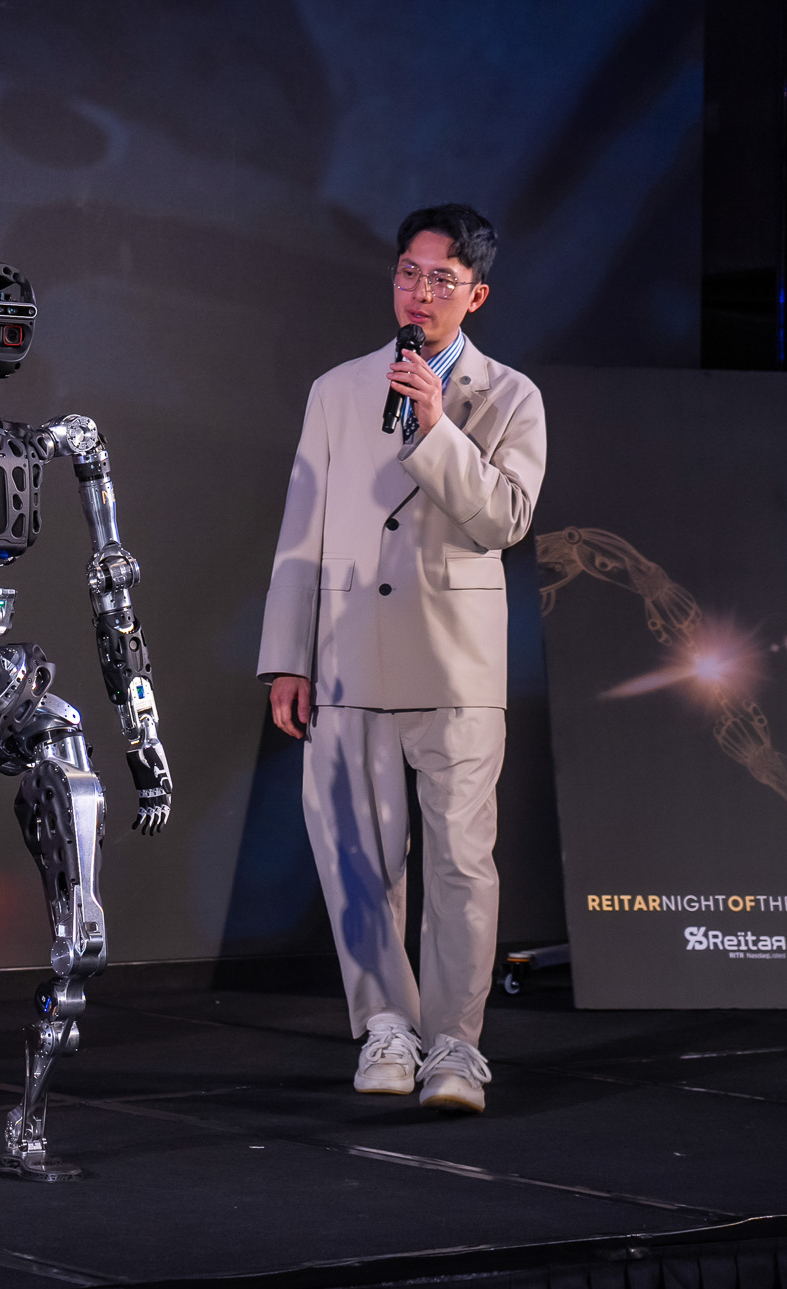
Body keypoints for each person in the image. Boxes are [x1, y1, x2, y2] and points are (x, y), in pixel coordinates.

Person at [255, 204, 545, 1113]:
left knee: (461, 862)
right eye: (409, 273)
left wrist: (434, 425)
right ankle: (386, 1026)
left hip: (455, 661)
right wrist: (287, 656)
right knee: (355, 856)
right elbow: (301, 530)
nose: (420, 292)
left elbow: (505, 519)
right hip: (347, 653)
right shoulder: (338, 389)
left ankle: (456, 1045)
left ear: (476, 295)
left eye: (441, 279)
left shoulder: (511, 396)